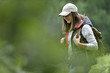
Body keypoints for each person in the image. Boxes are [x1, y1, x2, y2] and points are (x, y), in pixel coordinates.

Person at [59, 3, 98, 73]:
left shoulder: (85, 27)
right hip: (75, 63)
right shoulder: (71, 26)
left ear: (74, 15)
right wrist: (65, 40)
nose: (65, 18)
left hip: (84, 64)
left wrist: (79, 44)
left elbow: (95, 46)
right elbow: (73, 42)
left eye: (67, 15)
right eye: (63, 16)